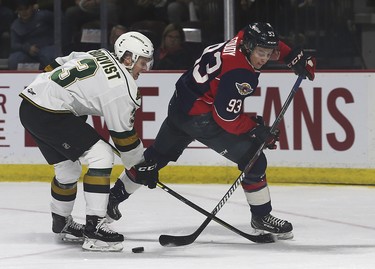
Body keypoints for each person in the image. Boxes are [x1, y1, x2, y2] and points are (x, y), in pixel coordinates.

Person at [106, 22, 316, 240]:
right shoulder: (240, 73)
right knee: (254, 159)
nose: (264, 58)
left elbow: (267, 44)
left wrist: (291, 55)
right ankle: (261, 217)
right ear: (249, 46)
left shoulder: (241, 39)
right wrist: (256, 130)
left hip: (180, 105)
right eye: (261, 53)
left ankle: (109, 202)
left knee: (154, 158)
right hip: (200, 118)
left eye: (269, 53)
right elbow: (226, 118)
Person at [18, 31, 158, 251]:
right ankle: (96, 231)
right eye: (142, 62)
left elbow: (57, 63)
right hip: (51, 113)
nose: (145, 69)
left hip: (29, 106)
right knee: (102, 155)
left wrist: (48, 89)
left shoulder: (98, 54)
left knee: (68, 169)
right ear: (128, 58)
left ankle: (61, 222)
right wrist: (140, 166)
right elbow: (124, 139)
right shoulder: (122, 88)